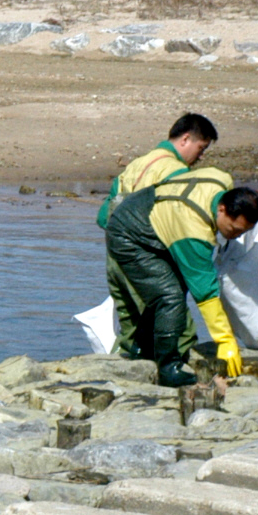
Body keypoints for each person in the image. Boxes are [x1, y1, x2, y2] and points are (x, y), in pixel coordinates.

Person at [105, 165, 258, 388]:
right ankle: (169, 368)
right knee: (170, 297)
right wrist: (226, 341)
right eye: (234, 229)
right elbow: (205, 292)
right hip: (129, 234)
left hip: (159, 219)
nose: (236, 236)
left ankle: (142, 348)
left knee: (173, 287)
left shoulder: (221, 179)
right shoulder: (194, 230)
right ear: (221, 208)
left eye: (243, 232)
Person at [98, 114, 219, 357]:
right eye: (201, 148)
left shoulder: (136, 164)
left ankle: (125, 381)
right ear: (186, 139)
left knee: (133, 333)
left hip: (116, 260)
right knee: (177, 329)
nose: (201, 156)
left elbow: (104, 217)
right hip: (144, 261)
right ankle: (183, 384)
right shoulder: (176, 172)